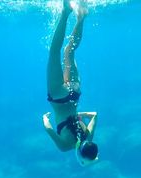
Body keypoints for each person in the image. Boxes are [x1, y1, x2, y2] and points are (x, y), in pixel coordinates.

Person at [42, 0, 99, 166]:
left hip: (74, 94)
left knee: (69, 51)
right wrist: (45, 118)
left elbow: (95, 114)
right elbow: (48, 128)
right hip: (58, 98)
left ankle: (81, 16)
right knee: (54, 53)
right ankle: (65, 12)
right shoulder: (65, 146)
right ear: (80, 155)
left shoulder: (89, 135)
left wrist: (80, 115)